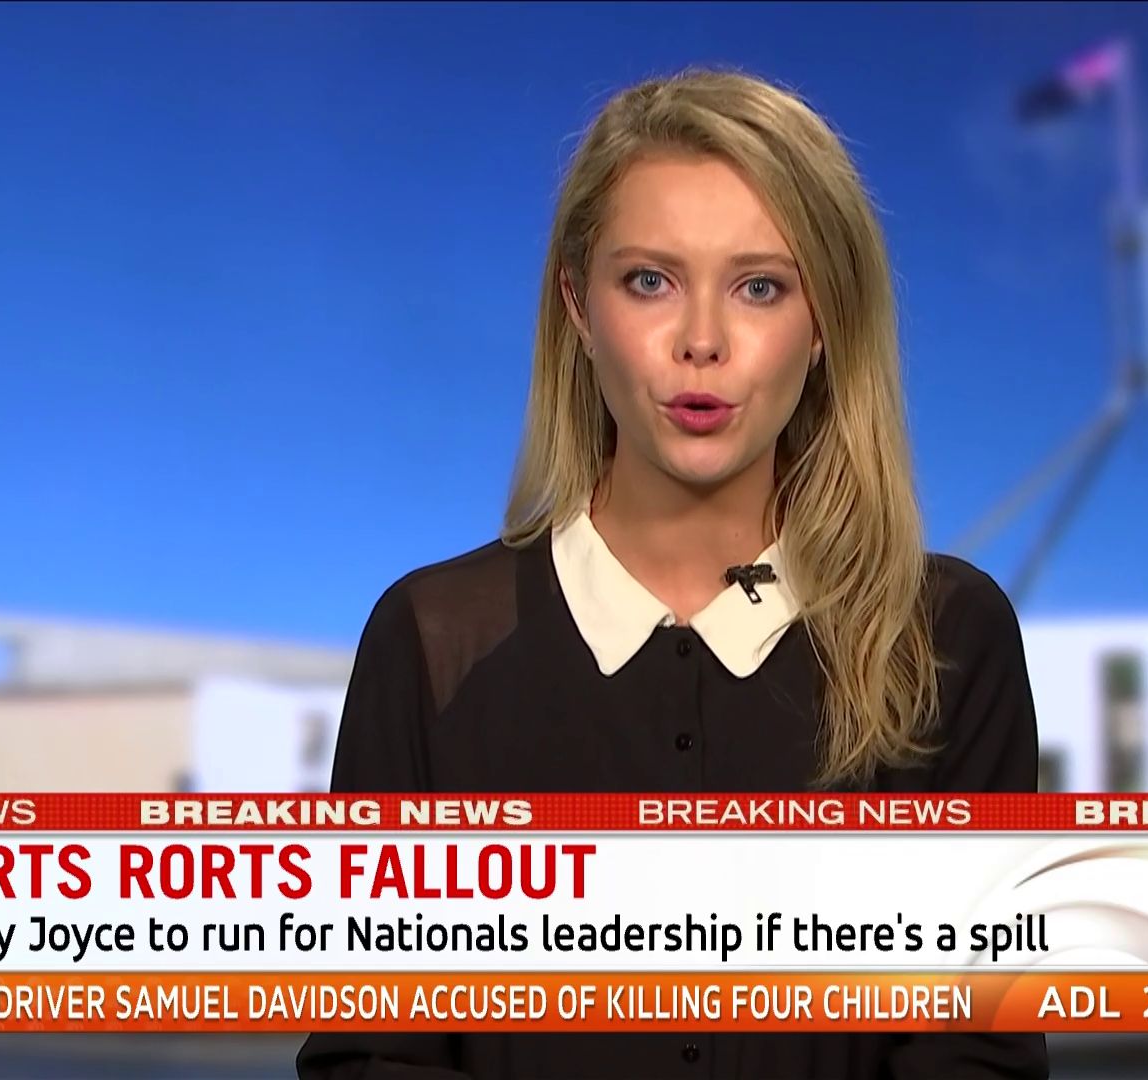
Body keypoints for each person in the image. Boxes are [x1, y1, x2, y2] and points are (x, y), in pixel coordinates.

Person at [297, 66, 1047, 1080]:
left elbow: (979, 1053)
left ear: (826, 322)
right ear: (578, 305)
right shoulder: (432, 642)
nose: (702, 342)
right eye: (650, 281)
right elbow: (372, 1053)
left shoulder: (947, 637)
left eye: (760, 287)